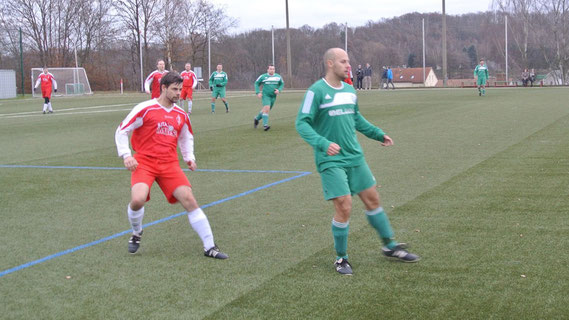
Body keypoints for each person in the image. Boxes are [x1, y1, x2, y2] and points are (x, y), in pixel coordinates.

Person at [295, 48, 420, 275]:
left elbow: (356, 119)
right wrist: (322, 143)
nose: (348, 65)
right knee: (344, 205)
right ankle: (341, 258)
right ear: (330, 63)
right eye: (343, 62)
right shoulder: (316, 91)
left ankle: (389, 246)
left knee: (372, 199)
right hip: (330, 159)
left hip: (354, 156)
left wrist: (377, 133)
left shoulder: (351, 90)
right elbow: (302, 123)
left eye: (349, 61)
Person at [115, 71, 228, 259]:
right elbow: (122, 131)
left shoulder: (181, 114)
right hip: (144, 162)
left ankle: (210, 247)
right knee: (137, 200)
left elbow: (186, 137)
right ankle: (137, 232)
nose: (178, 93)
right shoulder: (145, 109)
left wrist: (189, 157)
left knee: (189, 200)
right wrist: (126, 155)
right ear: (163, 88)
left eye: (180, 89)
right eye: (174, 89)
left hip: (169, 164)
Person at [253, 64, 284, 131]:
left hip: (273, 96)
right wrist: (258, 92)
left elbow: (282, 84)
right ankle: (265, 126)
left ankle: (257, 119)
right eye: (270, 69)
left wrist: (279, 90)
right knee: (266, 108)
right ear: (268, 70)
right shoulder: (263, 76)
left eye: (273, 69)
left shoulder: (278, 77)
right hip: (265, 95)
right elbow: (256, 83)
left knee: (266, 110)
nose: (272, 70)